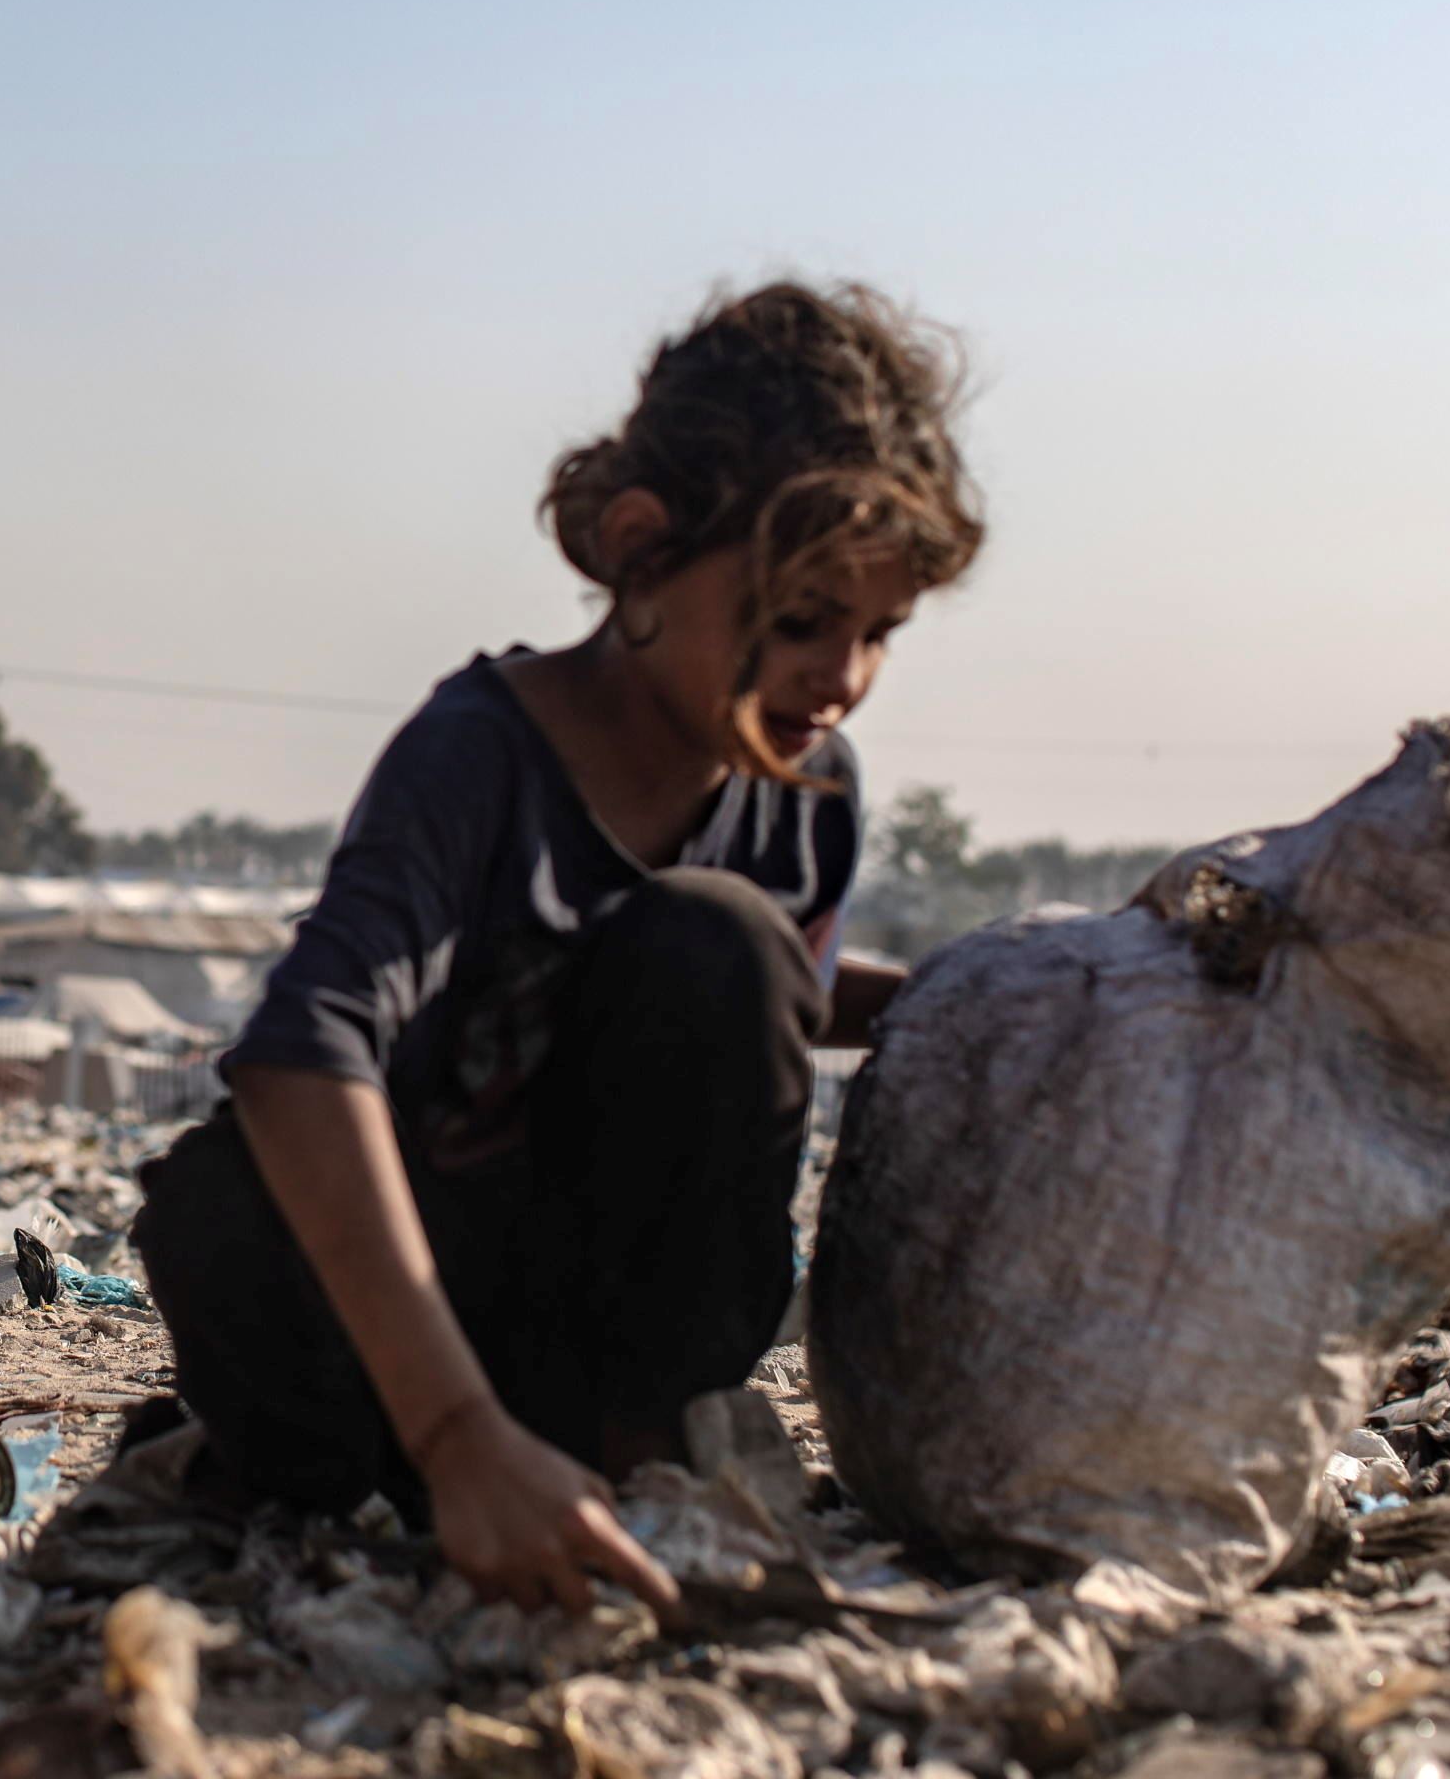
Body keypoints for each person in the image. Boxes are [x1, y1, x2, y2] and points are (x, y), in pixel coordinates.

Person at [133, 280, 984, 1617]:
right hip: (393, 1331)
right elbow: (303, 1055)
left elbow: (781, 999)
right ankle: (420, 1469)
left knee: (725, 945)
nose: (844, 674)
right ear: (641, 553)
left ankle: (637, 1476)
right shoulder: (482, 755)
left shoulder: (807, 794)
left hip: (584, 1344)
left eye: (880, 633)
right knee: (223, 1197)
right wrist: (459, 1435)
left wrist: (1003, 995)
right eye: (805, 617)